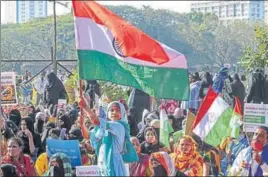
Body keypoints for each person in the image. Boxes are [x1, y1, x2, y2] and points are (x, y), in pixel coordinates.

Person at [80, 99, 138, 176]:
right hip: (102, 162)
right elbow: (88, 136)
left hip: (113, 162)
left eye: (118, 110)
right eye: (112, 110)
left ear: (123, 113)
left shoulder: (119, 126)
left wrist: (86, 107)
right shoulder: (103, 127)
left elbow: (96, 121)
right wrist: (82, 125)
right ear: (107, 113)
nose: (114, 112)